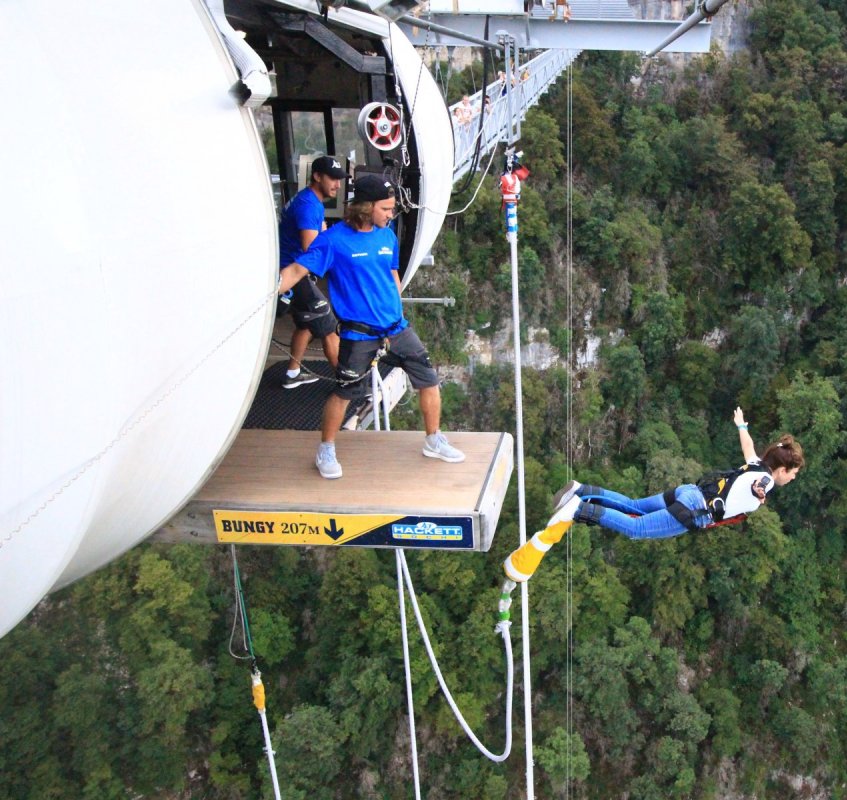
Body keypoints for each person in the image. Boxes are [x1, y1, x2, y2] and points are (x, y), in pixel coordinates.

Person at [278, 174, 465, 479]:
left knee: (428, 378)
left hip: (396, 328)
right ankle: (325, 449)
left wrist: (395, 305)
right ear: (366, 208)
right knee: (346, 391)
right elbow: (299, 268)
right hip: (359, 334)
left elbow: (391, 272)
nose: (391, 215)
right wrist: (273, 289)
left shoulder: (386, 235)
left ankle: (433, 439)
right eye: (386, 209)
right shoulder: (334, 241)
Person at [504, 408, 804, 581]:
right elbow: (758, 486)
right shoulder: (764, 479)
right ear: (782, 469)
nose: (791, 479)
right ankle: (577, 510)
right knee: (636, 528)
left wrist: (741, 424)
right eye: (792, 473)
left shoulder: (756, 464)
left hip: (688, 493)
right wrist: (761, 492)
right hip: (693, 512)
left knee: (634, 506)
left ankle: (583, 491)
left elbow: (748, 446)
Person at [277, 155, 343, 388]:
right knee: (327, 324)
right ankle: (347, 383)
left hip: (293, 268)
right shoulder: (308, 206)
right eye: (332, 179)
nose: (337, 184)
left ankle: (293, 374)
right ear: (316, 176)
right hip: (293, 272)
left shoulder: (310, 200)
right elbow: (310, 249)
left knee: (306, 324)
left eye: (339, 179)